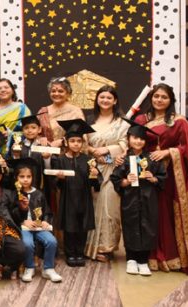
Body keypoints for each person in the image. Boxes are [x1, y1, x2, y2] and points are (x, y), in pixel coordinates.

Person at [134, 83, 188, 276]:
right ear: (151, 98)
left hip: (171, 176)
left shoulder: (178, 122)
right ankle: (149, 256)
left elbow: (187, 148)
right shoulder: (142, 119)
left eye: (164, 97)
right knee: (148, 213)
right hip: (146, 174)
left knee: (166, 214)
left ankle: (171, 256)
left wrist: (168, 152)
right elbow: (133, 141)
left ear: (171, 100)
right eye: (156, 96)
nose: (159, 100)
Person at [109, 119, 166, 276]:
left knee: (148, 226)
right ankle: (131, 259)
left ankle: (143, 261)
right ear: (128, 139)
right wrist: (126, 181)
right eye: (135, 137)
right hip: (130, 199)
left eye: (141, 138)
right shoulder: (123, 159)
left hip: (149, 199)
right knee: (131, 226)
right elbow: (115, 179)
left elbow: (162, 177)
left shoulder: (152, 159)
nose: (138, 141)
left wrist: (152, 177)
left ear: (145, 141)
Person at [84, 85, 129, 262]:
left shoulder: (122, 122)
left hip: (113, 170)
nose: (105, 100)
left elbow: (126, 144)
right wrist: (92, 151)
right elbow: (81, 143)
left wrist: (106, 151)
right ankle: (90, 247)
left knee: (110, 208)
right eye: (101, 97)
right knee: (93, 208)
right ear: (97, 99)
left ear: (115, 101)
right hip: (93, 170)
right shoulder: (89, 120)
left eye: (109, 98)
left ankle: (106, 247)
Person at [52, 119, 100, 267]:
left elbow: (95, 185)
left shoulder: (88, 160)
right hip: (67, 198)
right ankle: (70, 253)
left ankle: (80, 253)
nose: (76, 144)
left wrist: (95, 175)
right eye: (72, 141)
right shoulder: (60, 160)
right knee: (70, 227)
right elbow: (56, 185)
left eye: (79, 141)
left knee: (82, 227)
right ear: (66, 142)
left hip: (84, 197)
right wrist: (59, 179)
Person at [7, 158, 62, 283]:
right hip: (24, 228)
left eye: (28, 176)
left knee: (51, 241)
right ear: (16, 178)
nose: (25, 179)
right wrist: (22, 221)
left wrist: (45, 221)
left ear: (33, 177)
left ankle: (48, 268)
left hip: (39, 227)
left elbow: (47, 211)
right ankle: (29, 267)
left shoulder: (39, 194)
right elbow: (10, 213)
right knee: (27, 244)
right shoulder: (13, 195)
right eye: (22, 176)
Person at [0, 79, 31, 153]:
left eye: (6, 87)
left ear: (13, 90)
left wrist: (11, 133)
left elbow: (29, 130)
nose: (3, 90)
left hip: (16, 150)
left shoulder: (21, 108)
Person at [37, 77, 85, 148]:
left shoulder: (75, 111)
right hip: (46, 154)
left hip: (67, 154)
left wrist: (62, 141)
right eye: (53, 91)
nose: (56, 94)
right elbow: (35, 132)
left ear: (68, 93)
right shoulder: (43, 112)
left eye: (60, 91)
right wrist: (40, 139)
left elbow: (81, 135)